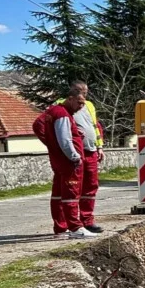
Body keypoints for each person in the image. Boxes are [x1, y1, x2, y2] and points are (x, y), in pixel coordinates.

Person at [45, 88, 98, 239]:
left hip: (61, 160)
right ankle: (75, 227)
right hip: (69, 162)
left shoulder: (54, 112)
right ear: (70, 99)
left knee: (59, 195)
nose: (81, 107)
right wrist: (75, 156)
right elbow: (65, 140)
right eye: (79, 103)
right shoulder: (62, 114)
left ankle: (61, 228)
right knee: (71, 194)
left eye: (84, 104)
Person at [55, 81, 104, 234]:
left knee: (91, 186)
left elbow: (95, 126)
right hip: (75, 153)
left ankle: (87, 220)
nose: (84, 93)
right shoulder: (60, 105)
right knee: (71, 188)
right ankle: (67, 224)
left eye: (86, 90)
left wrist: (100, 146)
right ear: (72, 94)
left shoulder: (88, 105)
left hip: (91, 150)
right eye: (80, 90)